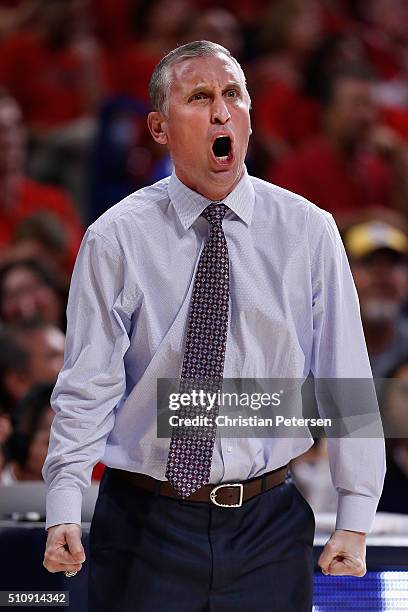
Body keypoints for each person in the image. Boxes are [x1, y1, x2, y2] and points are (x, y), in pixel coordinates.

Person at [42, 41, 385, 612]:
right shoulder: (116, 237)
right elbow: (87, 386)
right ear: (159, 127)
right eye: (199, 97)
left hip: (269, 525)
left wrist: (355, 517)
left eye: (233, 94)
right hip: (143, 523)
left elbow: (345, 377)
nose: (221, 111)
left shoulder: (309, 231)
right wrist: (63, 504)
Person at [343, 220, 408, 377]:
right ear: (342, 275)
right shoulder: (316, 350)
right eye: (368, 264)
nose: (382, 274)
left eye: (392, 264)